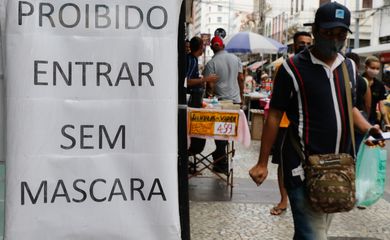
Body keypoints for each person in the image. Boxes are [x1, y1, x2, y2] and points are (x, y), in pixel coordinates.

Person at [249, 2, 383, 239]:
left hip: (337, 167)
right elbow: (274, 115)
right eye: (328, 33)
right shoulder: (292, 68)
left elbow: (349, 106)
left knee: (312, 232)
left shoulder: (349, 66)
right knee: (313, 234)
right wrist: (262, 163)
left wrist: (368, 127)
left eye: (340, 34)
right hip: (303, 166)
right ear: (315, 31)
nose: (334, 39)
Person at [270, 31, 312, 216]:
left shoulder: (315, 67)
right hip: (285, 124)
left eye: (308, 43)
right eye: (301, 42)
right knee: (283, 164)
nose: (304, 45)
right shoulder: (284, 67)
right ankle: (283, 199)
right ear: (294, 45)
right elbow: (277, 103)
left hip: (308, 126)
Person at [204, 35, 244, 173]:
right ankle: (223, 158)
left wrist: (210, 92)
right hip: (235, 101)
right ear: (223, 46)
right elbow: (241, 78)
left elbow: (209, 84)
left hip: (221, 102)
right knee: (230, 133)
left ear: (212, 47)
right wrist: (241, 96)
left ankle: (221, 160)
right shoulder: (236, 59)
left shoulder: (211, 63)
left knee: (220, 132)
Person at [186, 36, 218, 156]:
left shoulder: (192, 59)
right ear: (200, 48)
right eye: (203, 47)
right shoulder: (191, 60)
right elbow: (187, 81)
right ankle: (192, 150)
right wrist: (205, 79)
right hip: (191, 101)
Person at [345, 52, 372, 150]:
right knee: (358, 146)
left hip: (345, 118)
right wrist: (365, 117)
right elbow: (368, 104)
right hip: (360, 116)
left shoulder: (340, 78)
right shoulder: (363, 81)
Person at [362, 56, 387, 126]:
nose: (375, 70)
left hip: (372, 119)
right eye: (372, 68)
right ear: (366, 67)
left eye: (377, 68)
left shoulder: (380, 85)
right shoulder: (359, 81)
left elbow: (382, 107)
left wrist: (387, 123)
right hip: (359, 118)